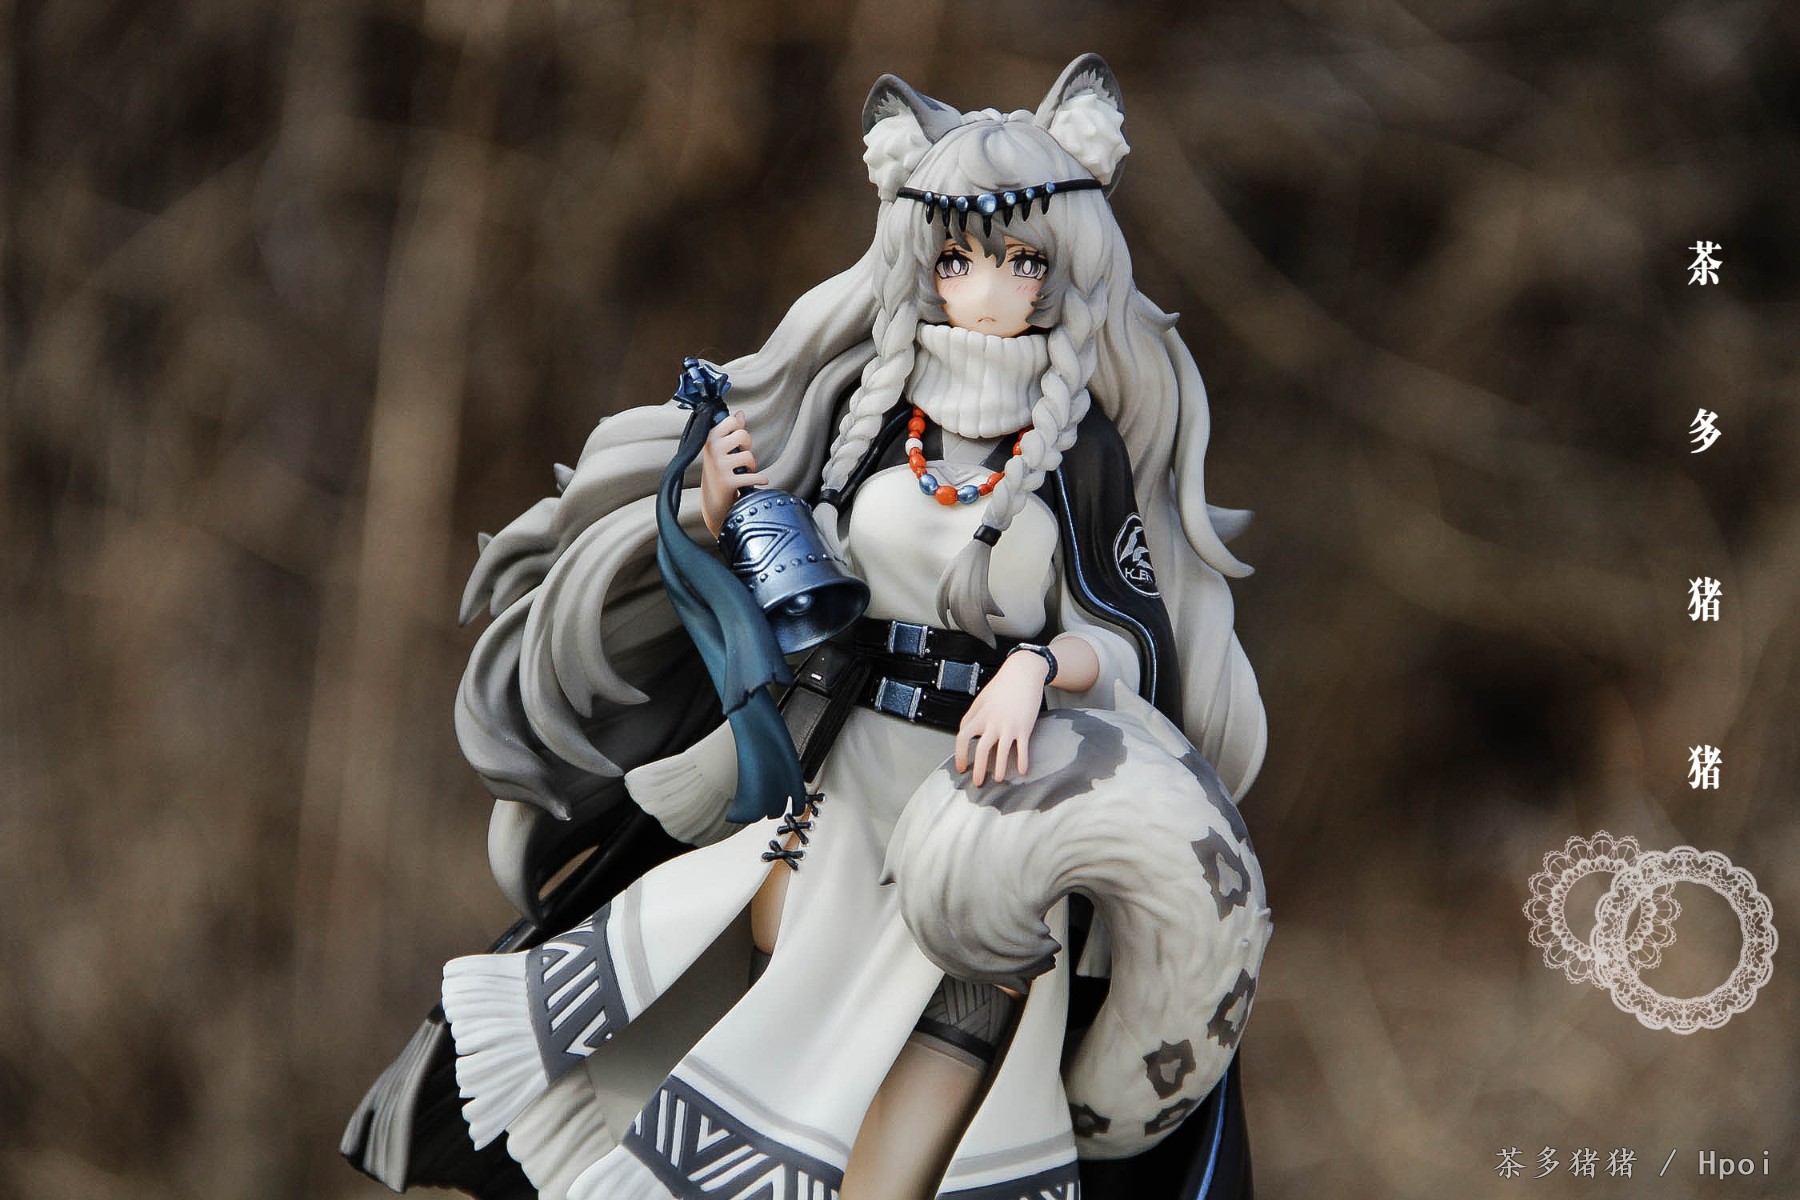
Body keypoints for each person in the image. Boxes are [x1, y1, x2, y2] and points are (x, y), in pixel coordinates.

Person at [345, 54, 1271, 1200]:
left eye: (1022, 261)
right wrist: (718, 508)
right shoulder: (873, 416)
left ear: (1063, 268)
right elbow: (796, 569)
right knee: (768, 999)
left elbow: (1129, 640)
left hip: (991, 813)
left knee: (949, 1066)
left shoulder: (1080, 455)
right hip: (842, 784)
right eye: (961, 258)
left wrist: (1036, 669)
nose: (989, 287)